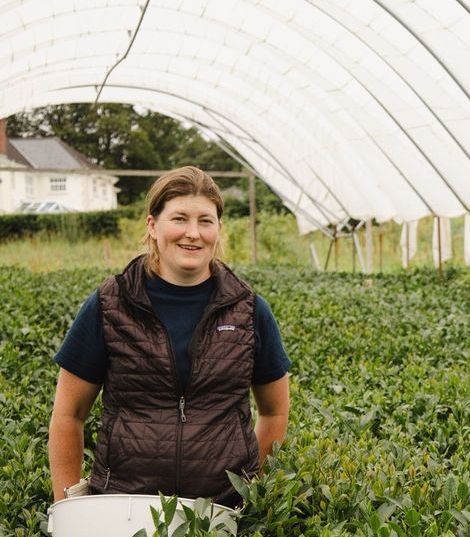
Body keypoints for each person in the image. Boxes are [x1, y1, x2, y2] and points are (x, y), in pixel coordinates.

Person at [49, 165, 291, 508]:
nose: (193, 233)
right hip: (122, 508)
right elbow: (68, 415)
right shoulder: (109, 305)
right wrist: (67, 507)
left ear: (219, 229)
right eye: (179, 218)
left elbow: (275, 412)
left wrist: (251, 492)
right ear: (153, 225)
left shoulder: (249, 311)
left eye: (205, 221)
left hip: (222, 511)